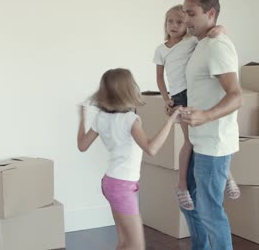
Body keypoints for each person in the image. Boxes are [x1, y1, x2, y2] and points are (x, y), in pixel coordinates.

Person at [77, 68, 181, 250]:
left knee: (125, 243)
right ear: (128, 90)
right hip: (122, 186)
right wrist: (171, 121)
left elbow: (82, 146)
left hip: (110, 182)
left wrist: (82, 118)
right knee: (137, 246)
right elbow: (151, 148)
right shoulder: (130, 119)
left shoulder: (100, 117)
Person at [153, 4, 240, 211]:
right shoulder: (161, 49)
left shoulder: (191, 41)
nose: (174, 25)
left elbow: (216, 32)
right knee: (190, 141)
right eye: (170, 21)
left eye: (180, 21)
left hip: (196, 92)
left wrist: (221, 29)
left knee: (209, 138)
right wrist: (167, 99)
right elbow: (159, 78)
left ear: (187, 25)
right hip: (180, 96)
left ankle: (227, 175)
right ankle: (182, 186)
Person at [178, 0, 243, 250]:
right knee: (189, 204)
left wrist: (206, 115)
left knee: (210, 213)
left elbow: (236, 96)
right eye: (185, 13)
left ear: (211, 13)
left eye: (191, 14)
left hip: (214, 146)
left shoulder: (217, 46)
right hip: (198, 140)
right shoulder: (203, 42)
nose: (186, 20)